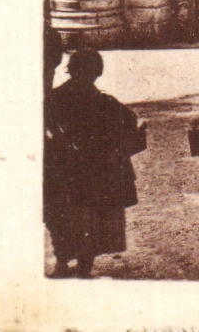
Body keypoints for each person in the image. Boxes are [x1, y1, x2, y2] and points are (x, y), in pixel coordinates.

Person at [44, 49, 146, 278]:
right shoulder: (104, 102)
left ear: (70, 70)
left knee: (59, 215)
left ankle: (62, 263)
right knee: (91, 217)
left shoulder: (54, 98)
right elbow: (130, 121)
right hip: (93, 174)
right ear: (97, 72)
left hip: (61, 170)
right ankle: (83, 266)